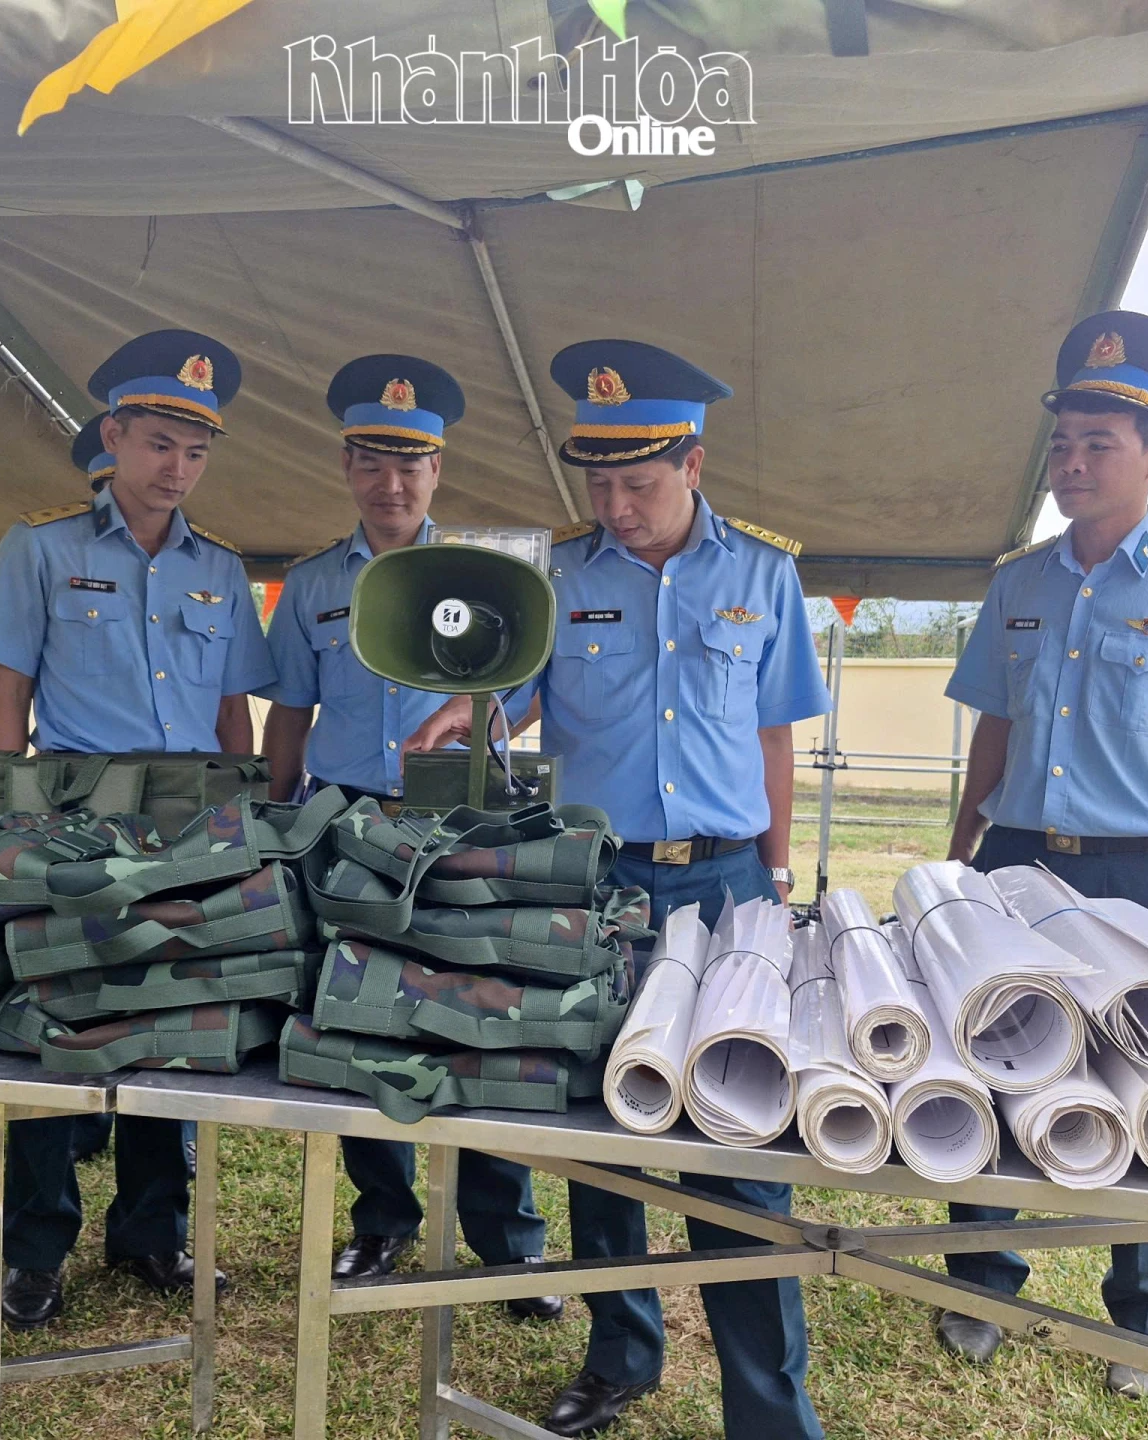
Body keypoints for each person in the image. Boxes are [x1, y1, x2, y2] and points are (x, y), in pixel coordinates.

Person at [408, 339, 831, 1439]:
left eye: (638, 482)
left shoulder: (762, 575)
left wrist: (777, 875)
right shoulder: (560, 573)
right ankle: (619, 1353)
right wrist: (472, 713)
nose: (617, 505)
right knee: (605, 1124)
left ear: (693, 463)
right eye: (598, 483)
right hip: (596, 885)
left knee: (740, 1140)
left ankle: (767, 1404)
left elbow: (775, 730)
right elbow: (518, 699)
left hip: (726, 881)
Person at [936, 311, 1148, 1396]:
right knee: (992, 1064)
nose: (1074, 463)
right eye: (1063, 444)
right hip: (1018, 860)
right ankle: (980, 1282)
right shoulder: (1020, 583)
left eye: (1101, 444)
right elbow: (993, 727)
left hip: (1141, 874)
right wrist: (957, 859)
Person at [0, 329, 278, 1330]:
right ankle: (36, 1247)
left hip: (189, 830)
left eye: (195, 453)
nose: (175, 470)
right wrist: (10, 833)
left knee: (172, 1031)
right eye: (156, 445)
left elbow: (235, 714)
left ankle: (154, 1230)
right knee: (60, 1029)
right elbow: (4, 699)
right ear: (115, 436)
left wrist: (244, 823)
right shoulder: (43, 546)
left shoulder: (221, 568)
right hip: (72, 825)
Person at [258, 354, 561, 1320]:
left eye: (412, 465)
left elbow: (531, 689)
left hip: (460, 821)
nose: (392, 484)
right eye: (372, 463)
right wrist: (277, 823)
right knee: (357, 1020)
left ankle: (507, 1242)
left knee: (484, 1012)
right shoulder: (309, 586)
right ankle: (382, 1220)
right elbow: (287, 716)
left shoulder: (494, 576)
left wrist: (479, 719)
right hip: (347, 822)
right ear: (347, 466)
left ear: (438, 472)